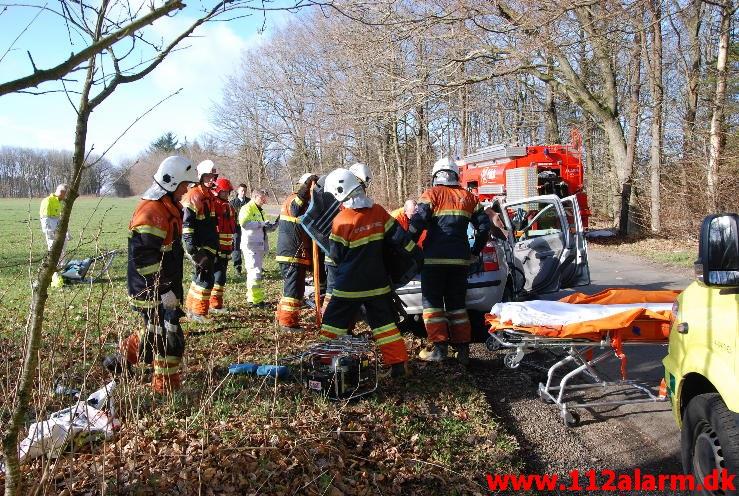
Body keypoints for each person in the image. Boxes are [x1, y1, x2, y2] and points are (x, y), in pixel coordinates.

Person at [320, 168, 422, 378]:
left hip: (349, 286)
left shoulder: (341, 220)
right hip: (378, 284)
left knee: (332, 323)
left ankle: (324, 363)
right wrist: (417, 258)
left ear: (339, 193)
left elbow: (336, 256)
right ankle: (398, 366)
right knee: (385, 325)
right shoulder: (378, 212)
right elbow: (400, 239)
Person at [111, 155, 197, 393]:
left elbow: (168, 249)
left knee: (153, 331)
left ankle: (119, 359)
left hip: (162, 284)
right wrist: (163, 290)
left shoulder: (168, 208)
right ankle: (166, 387)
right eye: (184, 185)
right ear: (171, 183)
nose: (186, 191)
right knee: (168, 336)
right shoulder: (152, 211)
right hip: (149, 288)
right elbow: (144, 258)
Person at [408, 157, 491, 365]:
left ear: (436, 175)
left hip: (434, 260)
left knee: (433, 305)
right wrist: (475, 251)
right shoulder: (469, 198)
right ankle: (463, 351)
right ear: (456, 175)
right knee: (457, 306)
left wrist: (407, 248)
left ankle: (439, 349)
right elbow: (484, 228)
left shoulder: (431, 194)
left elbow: (416, 225)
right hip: (460, 261)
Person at [275, 173, 318, 332]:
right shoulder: (294, 200)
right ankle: (287, 324)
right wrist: (306, 188)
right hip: (291, 253)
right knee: (292, 291)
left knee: (296, 289)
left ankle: (286, 320)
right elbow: (295, 209)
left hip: (296, 254)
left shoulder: (304, 203)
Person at [182, 160, 220, 322]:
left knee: (199, 277)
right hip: (199, 246)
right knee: (206, 278)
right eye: (209, 176)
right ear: (202, 176)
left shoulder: (209, 196)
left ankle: (192, 310)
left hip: (209, 245)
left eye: (214, 176)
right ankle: (199, 313)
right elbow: (187, 225)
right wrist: (193, 249)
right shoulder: (194, 195)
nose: (213, 179)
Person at [239, 189, 277, 306]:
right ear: (255, 197)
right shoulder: (247, 208)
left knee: (255, 272)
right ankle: (256, 300)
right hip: (251, 246)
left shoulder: (260, 210)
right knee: (254, 273)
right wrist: (261, 224)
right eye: (262, 198)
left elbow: (265, 228)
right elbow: (244, 223)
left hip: (259, 246)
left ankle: (253, 298)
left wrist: (275, 225)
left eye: (265, 198)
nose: (264, 201)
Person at [210, 178, 238, 313]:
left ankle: (216, 304)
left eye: (228, 192)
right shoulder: (214, 204)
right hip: (216, 247)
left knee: (221, 276)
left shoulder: (230, 206)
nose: (226, 194)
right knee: (217, 276)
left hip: (227, 247)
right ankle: (214, 304)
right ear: (217, 191)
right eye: (224, 192)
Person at [39, 183, 71, 253]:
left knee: (63, 242)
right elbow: (45, 218)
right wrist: (49, 232)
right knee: (53, 244)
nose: (66, 197)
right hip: (50, 225)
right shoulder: (47, 201)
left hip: (58, 224)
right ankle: (53, 263)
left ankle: (62, 262)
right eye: (65, 194)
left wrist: (67, 231)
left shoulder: (61, 202)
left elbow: (61, 217)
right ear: (61, 192)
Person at [230, 184, 250, 275]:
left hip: (248, 228)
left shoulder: (250, 202)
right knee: (236, 247)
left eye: (245, 191)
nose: (243, 192)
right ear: (238, 191)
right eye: (242, 190)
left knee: (250, 247)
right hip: (236, 228)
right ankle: (238, 267)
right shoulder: (232, 203)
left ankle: (252, 266)